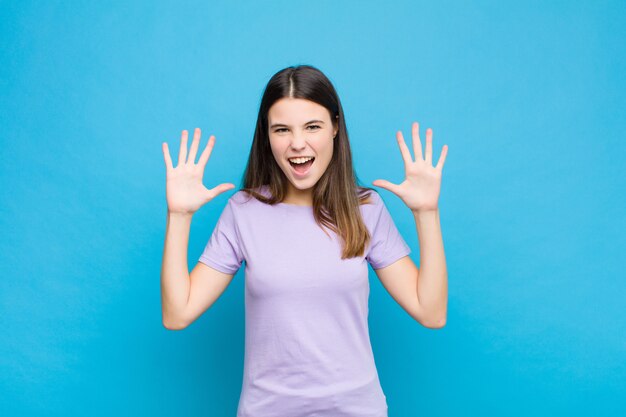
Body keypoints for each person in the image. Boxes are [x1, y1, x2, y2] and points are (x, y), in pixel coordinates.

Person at [160, 65, 449, 417]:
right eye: (282, 129)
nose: (298, 143)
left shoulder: (365, 210)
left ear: (335, 128)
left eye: (312, 126)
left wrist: (427, 213)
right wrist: (178, 216)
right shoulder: (243, 211)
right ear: (266, 136)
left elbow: (431, 312)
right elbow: (177, 313)